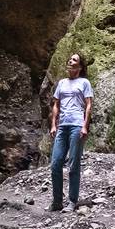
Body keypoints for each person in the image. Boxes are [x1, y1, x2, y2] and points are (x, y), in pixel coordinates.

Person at [49, 52, 93, 211]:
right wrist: (54, 124)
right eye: (70, 58)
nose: (70, 60)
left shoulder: (84, 82)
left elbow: (88, 105)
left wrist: (84, 126)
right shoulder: (61, 83)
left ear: (80, 67)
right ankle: (57, 201)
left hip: (76, 125)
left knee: (73, 164)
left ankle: (72, 201)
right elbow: (56, 105)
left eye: (74, 59)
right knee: (55, 164)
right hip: (62, 126)